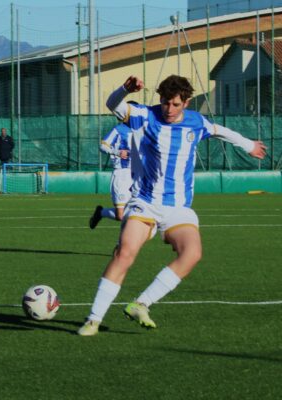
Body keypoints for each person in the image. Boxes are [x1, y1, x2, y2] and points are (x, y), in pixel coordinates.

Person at [78, 75, 267, 336]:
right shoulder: (145, 115)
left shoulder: (196, 122)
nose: (169, 109)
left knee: (192, 254)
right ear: (160, 99)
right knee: (124, 254)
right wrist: (124, 89)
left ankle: (140, 304)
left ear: (186, 102)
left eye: (176, 104)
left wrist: (249, 145)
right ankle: (93, 320)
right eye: (165, 103)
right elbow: (113, 104)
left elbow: (219, 130)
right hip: (145, 202)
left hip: (178, 208)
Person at [89, 123, 133, 229]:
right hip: (122, 174)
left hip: (139, 175)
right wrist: (116, 152)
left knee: (138, 213)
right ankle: (101, 213)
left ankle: (125, 242)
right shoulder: (119, 129)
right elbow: (103, 145)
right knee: (120, 215)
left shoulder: (144, 128)